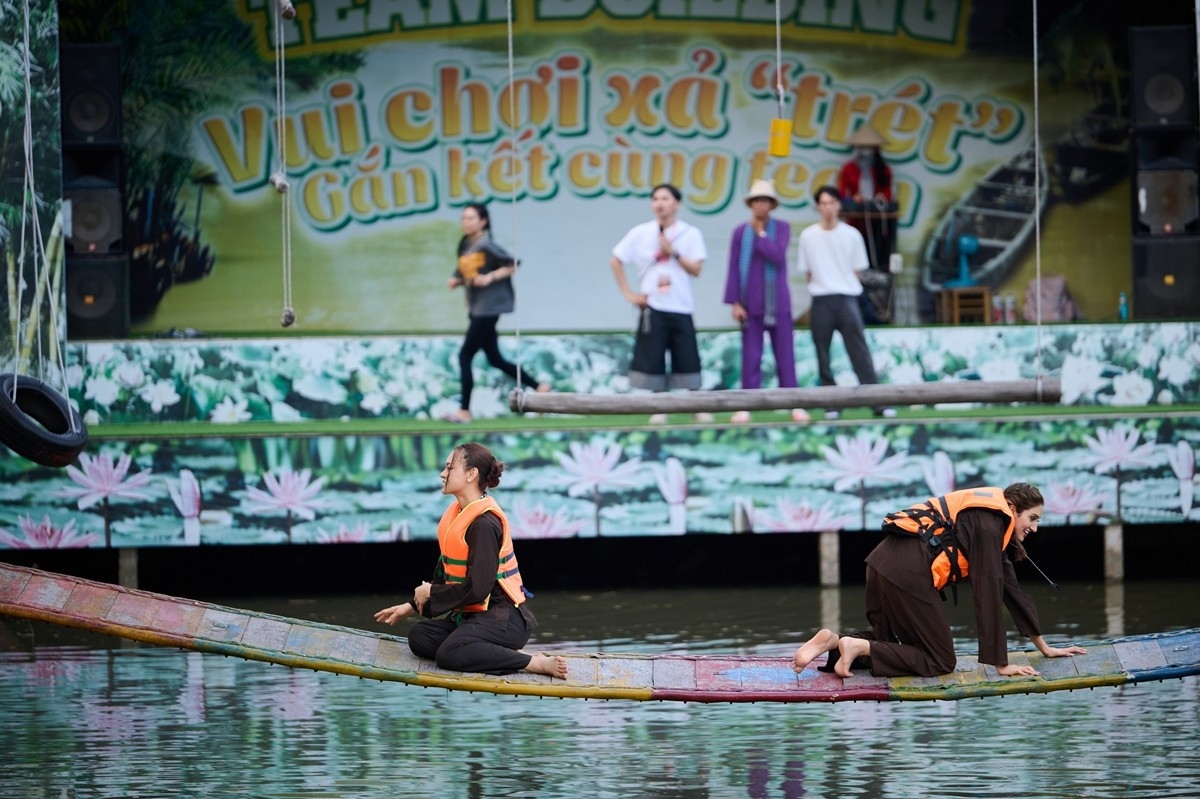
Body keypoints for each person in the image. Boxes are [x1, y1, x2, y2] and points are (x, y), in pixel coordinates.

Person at [791, 483, 1089, 679]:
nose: (1035, 528)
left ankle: (833, 642)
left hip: (881, 563)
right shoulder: (989, 525)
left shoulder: (987, 522)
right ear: (1012, 508)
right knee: (940, 662)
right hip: (909, 573)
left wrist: (1044, 647)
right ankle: (855, 646)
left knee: (890, 646)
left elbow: (1010, 591)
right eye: (1033, 518)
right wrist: (1001, 664)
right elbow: (988, 592)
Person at [374, 442, 568, 679]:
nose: (442, 474)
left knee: (449, 654)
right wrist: (413, 605)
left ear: (471, 474)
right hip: (474, 616)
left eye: (449, 468)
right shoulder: (457, 513)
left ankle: (533, 663)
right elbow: (444, 571)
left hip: (505, 620)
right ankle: (493, 652)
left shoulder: (484, 524)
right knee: (420, 637)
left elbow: (478, 588)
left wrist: (432, 594)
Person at [610, 183, 710, 425]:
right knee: (653, 357)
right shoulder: (641, 232)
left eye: (665, 198)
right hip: (653, 305)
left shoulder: (690, 233)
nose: (659, 203)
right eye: (655, 199)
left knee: (687, 357)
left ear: (676, 203)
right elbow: (616, 259)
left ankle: (696, 406)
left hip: (681, 305)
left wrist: (672, 252)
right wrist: (628, 293)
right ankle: (660, 408)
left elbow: (696, 269)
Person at [444, 203, 549, 424]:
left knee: (465, 356)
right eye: (464, 218)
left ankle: (464, 410)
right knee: (495, 359)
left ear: (483, 221)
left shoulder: (486, 244)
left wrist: (490, 278)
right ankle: (540, 387)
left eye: (471, 218)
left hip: (488, 308)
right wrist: (457, 281)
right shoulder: (466, 245)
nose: (466, 222)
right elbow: (464, 271)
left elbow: (512, 263)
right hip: (476, 307)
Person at [795, 185, 894, 419]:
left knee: (859, 350)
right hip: (821, 298)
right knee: (823, 353)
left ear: (839, 205)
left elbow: (858, 270)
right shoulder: (808, 235)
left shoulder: (851, 234)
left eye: (832, 202)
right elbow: (807, 272)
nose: (828, 207)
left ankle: (878, 402)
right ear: (818, 207)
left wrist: (842, 283)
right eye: (823, 203)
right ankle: (831, 404)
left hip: (847, 297)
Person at [723, 179, 809, 425]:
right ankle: (746, 405)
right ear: (751, 204)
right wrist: (734, 303)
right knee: (751, 356)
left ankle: (793, 403)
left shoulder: (781, 228)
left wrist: (760, 233)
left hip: (778, 303)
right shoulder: (740, 232)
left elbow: (777, 257)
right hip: (750, 304)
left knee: (785, 354)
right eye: (756, 201)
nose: (760, 205)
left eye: (764, 201)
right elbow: (733, 268)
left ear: (771, 204)